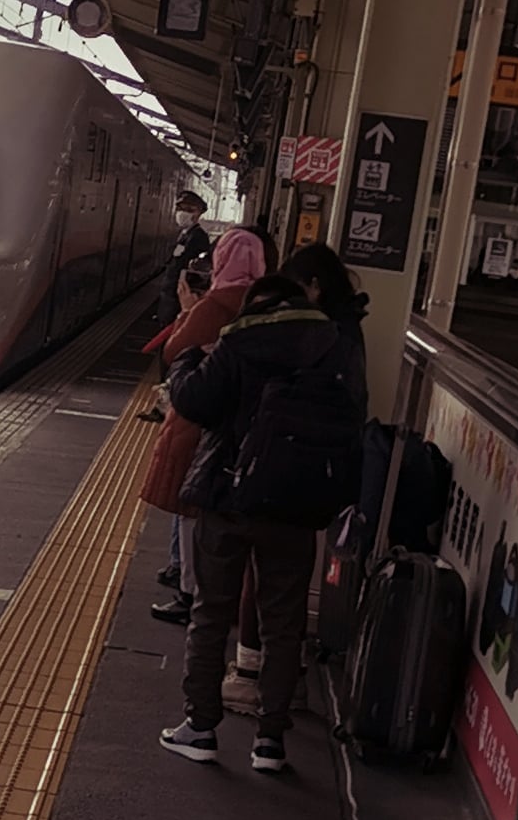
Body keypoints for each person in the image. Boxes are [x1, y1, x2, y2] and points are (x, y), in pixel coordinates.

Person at [160, 248, 368, 772]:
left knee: (211, 612)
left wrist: (188, 359)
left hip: (230, 497)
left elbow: (195, 402)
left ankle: (201, 727)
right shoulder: (333, 344)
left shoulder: (241, 338)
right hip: (297, 505)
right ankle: (270, 742)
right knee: (284, 622)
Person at [143, 226, 270, 620]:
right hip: (240, 423)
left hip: (201, 415)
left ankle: (189, 592)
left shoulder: (215, 303)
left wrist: (185, 309)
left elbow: (174, 351)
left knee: (189, 507)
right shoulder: (264, 302)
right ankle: (197, 584)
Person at [153, 192, 214, 330]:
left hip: (178, 299)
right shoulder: (186, 234)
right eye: (180, 208)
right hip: (171, 296)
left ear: (199, 213)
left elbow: (197, 272)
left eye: (189, 210)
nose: (182, 213)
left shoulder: (198, 237)